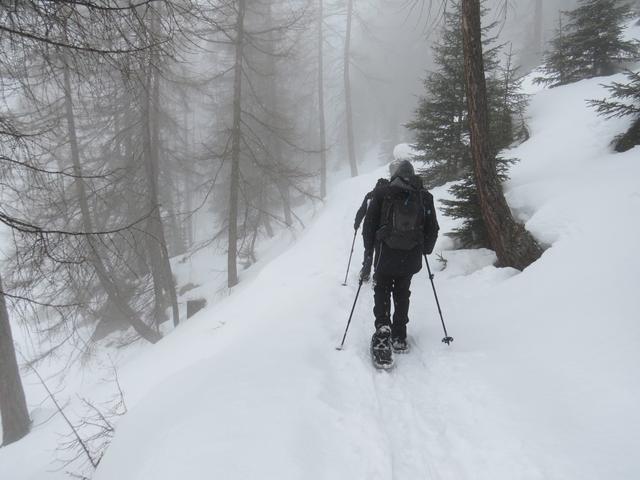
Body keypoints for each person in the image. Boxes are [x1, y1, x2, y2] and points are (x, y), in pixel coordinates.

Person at [361, 160, 439, 369]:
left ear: (394, 174)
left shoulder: (382, 193)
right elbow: (433, 228)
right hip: (411, 255)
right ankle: (399, 335)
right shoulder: (424, 196)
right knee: (402, 291)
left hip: (385, 253)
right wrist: (425, 249)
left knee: (383, 288)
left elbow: (369, 224)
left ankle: (383, 328)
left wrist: (369, 250)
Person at [354, 177, 389, 281]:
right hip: (381, 229)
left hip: (369, 228)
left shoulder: (370, 195)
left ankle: (365, 271)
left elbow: (362, 210)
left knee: (369, 250)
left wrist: (357, 223)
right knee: (380, 252)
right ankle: (378, 276)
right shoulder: (388, 196)